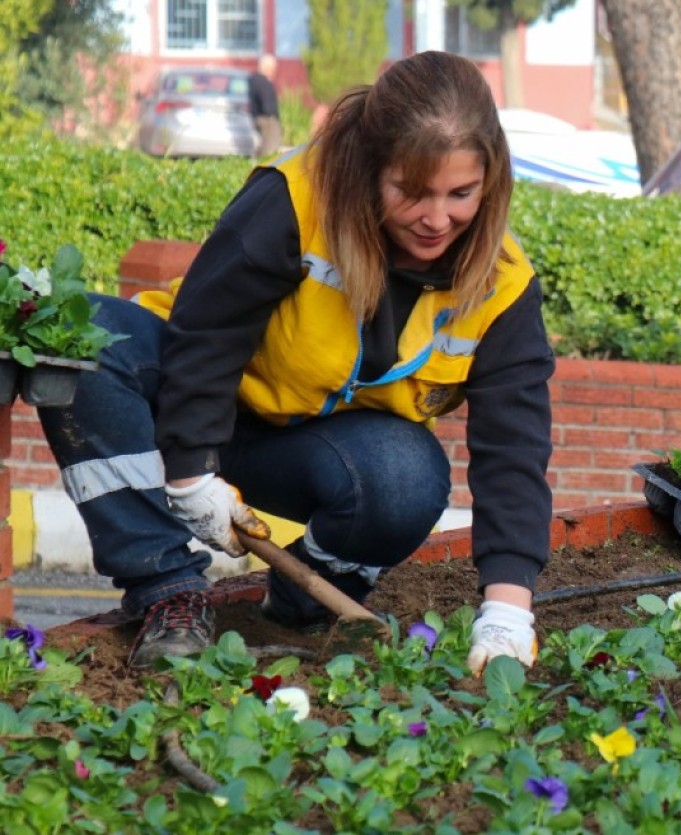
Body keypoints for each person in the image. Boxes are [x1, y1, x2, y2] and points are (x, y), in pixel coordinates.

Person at [39, 51, 554, 672]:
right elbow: (206, 337)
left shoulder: (503, 285)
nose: (437, 218)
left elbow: (513, 451)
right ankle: (167, 592)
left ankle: (299, 602)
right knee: (84, 337)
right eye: (411, 192)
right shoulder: (295, 199)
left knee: (406, 478)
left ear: (491, 181)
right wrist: (190, 469)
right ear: (370, 167)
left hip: (306, 452)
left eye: (461, 193)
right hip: (184, 400)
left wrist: (507, 612)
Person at [248, 54, 282, 157]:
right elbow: (267, 104)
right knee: (270, 149)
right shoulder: (263, 82)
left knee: (263, 146)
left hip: (257, 116)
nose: (275, 71)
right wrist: (272, 114)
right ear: (268, 67)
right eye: (274, 68)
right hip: (267, 119)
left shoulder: (254, 79)